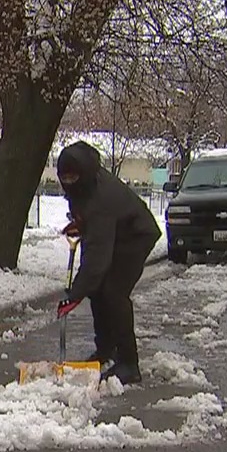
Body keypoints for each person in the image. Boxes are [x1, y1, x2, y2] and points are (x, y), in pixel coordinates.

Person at [54, 140, 162, 384]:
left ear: (84, 173)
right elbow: (91, 221)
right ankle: (105, 350)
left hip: (136, 236)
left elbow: (97, 261)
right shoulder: (85, 184)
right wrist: (81, 224)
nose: (69, 183)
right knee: (99, 291)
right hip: (117, 231)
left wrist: (75, 293)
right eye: (65, 178)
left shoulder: (100, 198)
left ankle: (129, 363)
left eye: (73, 177)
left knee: (113, 292)